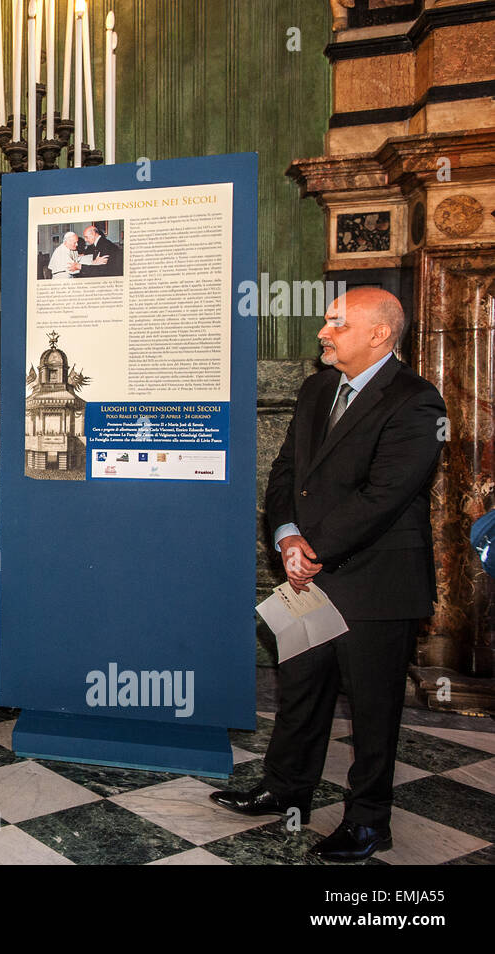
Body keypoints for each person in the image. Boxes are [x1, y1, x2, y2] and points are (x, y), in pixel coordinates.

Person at [209, 287, 446, 863]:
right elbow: (288, 471)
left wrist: (313, 546)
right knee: (301, 691)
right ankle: (286, 788)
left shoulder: (417, 401)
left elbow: (387, 494)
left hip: (375, 580)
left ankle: (369, 821)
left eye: (337, 324)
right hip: (305, 573)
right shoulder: (318, 388)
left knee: (372, 708)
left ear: (379, 334)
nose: (323, 332)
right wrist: (287, 536)